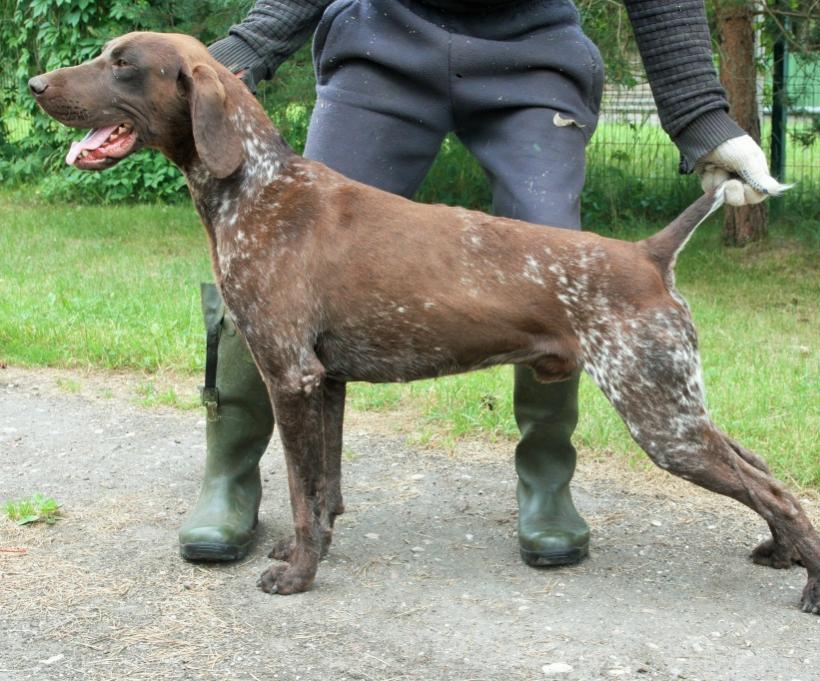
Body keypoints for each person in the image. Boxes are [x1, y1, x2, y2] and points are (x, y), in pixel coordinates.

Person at [179, 0, 785, 567]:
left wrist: (703, 119)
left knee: (557, 253)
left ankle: (547, 480)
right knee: (275, 257)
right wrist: (242, 51)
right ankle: (231, 475)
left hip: (534, 53)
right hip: (382, 41)